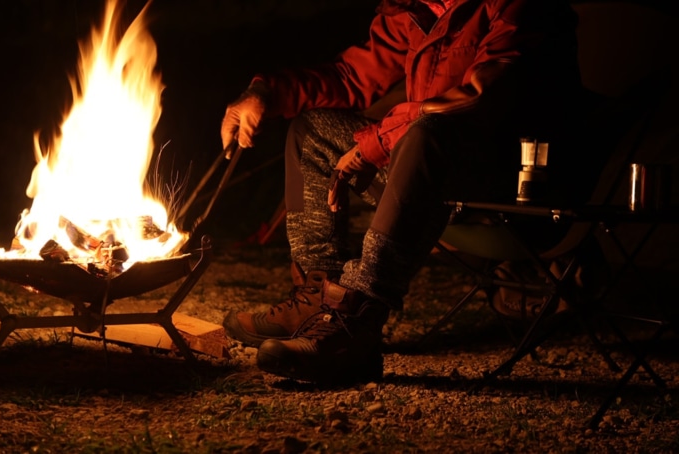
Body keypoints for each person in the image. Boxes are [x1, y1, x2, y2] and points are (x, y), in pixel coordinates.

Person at [219, 0, 594, 384]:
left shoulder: (516, 8)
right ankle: (318, 299)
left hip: (512, 183)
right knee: (313, 130)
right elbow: (350, 77)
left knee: (429, 134)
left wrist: (377, 142)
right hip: (427, 172)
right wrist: (267, 91)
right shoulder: (418, 11)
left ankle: (356, 324)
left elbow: (484, 95)